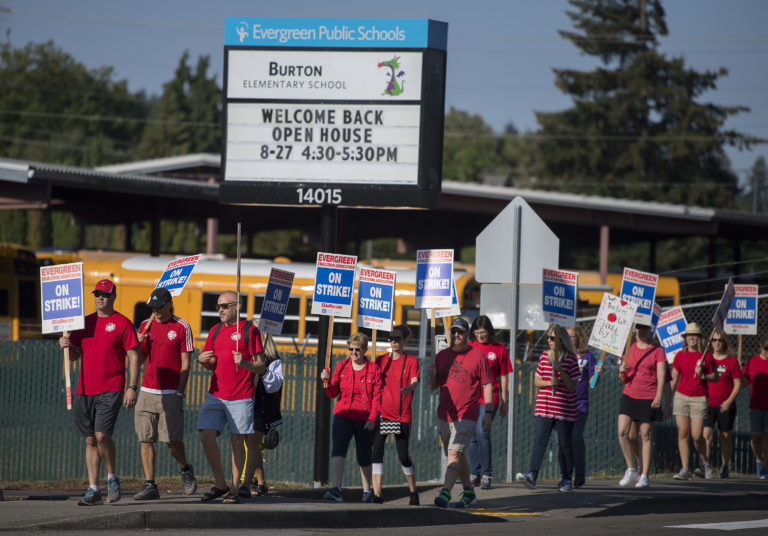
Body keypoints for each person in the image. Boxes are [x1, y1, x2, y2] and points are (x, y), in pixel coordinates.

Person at [58, 279, 141, 506]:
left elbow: (134, 357)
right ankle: (93, 489)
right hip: (84, 389)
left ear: (113, 297)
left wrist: (132, 387)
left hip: (112, 387)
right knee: (90, 440)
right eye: (97, 294)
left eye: (105, 294)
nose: (100, 298)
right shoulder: (83, 322)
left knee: (103, 435)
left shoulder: (122, 323)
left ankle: (112, 478)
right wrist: (65, 345)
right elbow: (74, 355)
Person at [197, 290, 265, 504]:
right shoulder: (215, 331)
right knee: (206, 434)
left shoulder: (249, 331)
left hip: (241, 396)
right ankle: (220, 483)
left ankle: (234, 489)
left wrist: (244, 363)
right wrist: (202, 360)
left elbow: (261, 366)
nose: (220, 310)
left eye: (225, 306)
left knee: (237, 441)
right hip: (215, 394)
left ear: (238, 306)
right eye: (218, 306)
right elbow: (212, 364)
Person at [133, 288, 197, 500]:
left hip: (170, 392)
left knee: (172, 442)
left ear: (169, 304)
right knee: (145, 439)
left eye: (159, 307)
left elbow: (186, 363)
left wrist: (180, 391)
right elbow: (139, 359)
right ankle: (150, 484)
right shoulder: (145, 325)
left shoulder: (182, 327)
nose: (155, 311)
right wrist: (138, 342)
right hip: (147, 390)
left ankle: (185, 469)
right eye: (152, 307)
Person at [428, 317, 492, 509]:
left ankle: (445, 492)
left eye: (460, 332)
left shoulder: (478, 356)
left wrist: (488, 411)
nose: (456, 335)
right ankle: (469, 492)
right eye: (454, 331)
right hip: (445, 414)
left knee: (454, 453)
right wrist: (431, 375)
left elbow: (487, 384)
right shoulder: (441, 356)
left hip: (467, 414)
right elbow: (433, 386)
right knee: (459, 454)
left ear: (467, 334)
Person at [515, 325, 580, 492]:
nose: (549, 341)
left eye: (552, 338)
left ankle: (566, 478)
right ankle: (532, 475)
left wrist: (560, 371)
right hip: (544, 406)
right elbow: (537, 381)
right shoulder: (544, 357)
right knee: (539, 441)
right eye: (548, 338)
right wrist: (548, 382)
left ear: (561, 340)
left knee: (564, 444)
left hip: (563, 409)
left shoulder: (571, 359)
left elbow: (572, 386)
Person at [320, 332, 383, 503]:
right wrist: (326, 383)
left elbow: (377, 397)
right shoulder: (341, 366)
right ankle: (337, 488)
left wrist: (372, 418)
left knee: (364, 455)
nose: (353, 352)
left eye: (357, 349)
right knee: (338, 449)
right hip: (343, 414)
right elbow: (333, 393)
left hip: (364, 417)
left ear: (364, 350)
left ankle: (367, 491)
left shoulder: (373, 370)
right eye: (351, 349)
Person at [616, 324, 670, 488]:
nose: (640, 331)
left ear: (650, 330)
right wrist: (621, 371)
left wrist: (659, 396)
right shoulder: (629, 348)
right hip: (630, 394)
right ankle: (631, 468)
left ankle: (645, 474)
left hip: (649, 396)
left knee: (645, 435)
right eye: (638, 328)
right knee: (623, 432)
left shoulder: (657, 350)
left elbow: (662, 375)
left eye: (644, 328)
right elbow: (623, 379)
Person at [371, 324, 420, 505]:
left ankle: (413, 491)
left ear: (405, 340)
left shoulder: (410, 361)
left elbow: (415, 379)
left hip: (401, 415)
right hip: (383, 414)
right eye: (390, 338)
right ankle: (377, 494)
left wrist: (411, 387)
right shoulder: (381, 361)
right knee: (376, 452)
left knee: (403, 456)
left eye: (397, 338)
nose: (393, 342)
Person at [467, 315, 512, 490]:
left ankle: (487, 474)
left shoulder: (499, 349)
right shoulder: (469, 347)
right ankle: (474, 473)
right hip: (471, 397)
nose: (480, 336)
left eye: (483, 333)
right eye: (477, 333)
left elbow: (503, 375)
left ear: (490, 332)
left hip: (489, 397)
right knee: (472, 436)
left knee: (482, 432)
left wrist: (504, 400)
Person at [670, 322, 718, 480]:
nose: (691, 338)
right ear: (685, 338)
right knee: (682, 433)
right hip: (681, 396)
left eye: (695, 335)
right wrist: (667, 398)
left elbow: (715, 377)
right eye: (689, 335)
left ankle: (705, 463)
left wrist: (703, 373)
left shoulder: (707, 356)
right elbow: (674, 378)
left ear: (699, 338)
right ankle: (685, 469)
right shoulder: (680, 355)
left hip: (699, 398)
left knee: (697, 435)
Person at [559, 325, 603, 488]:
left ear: (579, 338)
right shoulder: (561, 355)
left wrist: (598, 374)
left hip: (580, 404)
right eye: (568, 336)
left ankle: (580, 473)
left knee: (576, 437)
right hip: (563, 404)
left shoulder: (588, 356)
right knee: (563, 441)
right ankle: (565, 476)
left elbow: (592, 383)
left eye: (573, 336)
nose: (571, 339)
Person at [241, 332, 284, 497]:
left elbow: (274, 385)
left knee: (252, 443)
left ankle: (245, 481)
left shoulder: (272, 359)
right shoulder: (248, 355)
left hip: (263, 406)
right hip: (247, 402)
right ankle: (261, 481)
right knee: (252, 444)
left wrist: (262, 370)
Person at [702, 331, 741, 478]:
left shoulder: (731, 361)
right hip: (709, 403)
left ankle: (725, 466)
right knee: (706, 434)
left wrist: (729, 401)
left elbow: (738, 384)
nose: (717, 343)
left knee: (725, 436)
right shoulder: (707, 359)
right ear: (710, 342)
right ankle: (706, 465)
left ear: (724, 342)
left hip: (726, 404)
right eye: (714, 340)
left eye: (720, 340)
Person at [742, 336, 768, 480]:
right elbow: (745, 381)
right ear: (761, 348)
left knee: (766, 437)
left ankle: (764, 466)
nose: (767, 352)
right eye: (766, 349)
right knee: (755, 437)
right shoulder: (753, 361)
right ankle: (759, 460)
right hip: (756, 405)